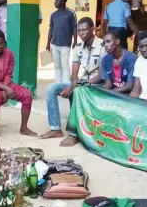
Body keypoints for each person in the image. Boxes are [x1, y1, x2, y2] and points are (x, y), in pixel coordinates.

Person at [40, 17, 106, 146]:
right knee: (51, 88)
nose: (81, 33)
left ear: (92, 29)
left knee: (77, 92)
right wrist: (73, 83)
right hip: (81, 82)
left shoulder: (102, 45)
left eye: (84, 30)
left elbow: (102, 75)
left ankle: (74, 134)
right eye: (79, 30)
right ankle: (55, 128)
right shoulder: (78, 47)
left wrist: (75, 87)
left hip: (96, 84)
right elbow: (75, 72)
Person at [0, 29, 36, 143]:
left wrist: (5, 86)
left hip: (6, 82)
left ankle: (24, 128)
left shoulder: (9, 54)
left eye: (1, 43)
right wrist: (5, 89)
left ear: (4, 42)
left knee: (26, 95)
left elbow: (8, 74)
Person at [46, 0, 77, 83]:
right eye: (55, 0)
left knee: (65, 65)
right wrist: (48, 44)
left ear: (63, 2)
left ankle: (66, 84)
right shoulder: (53, 15)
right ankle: (58, 84)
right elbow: (51, 29)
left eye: (57, 0)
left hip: (66, 45)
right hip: (54, 44)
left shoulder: (71, 13)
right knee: (57, 66)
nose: (55, 2)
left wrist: (75, 41)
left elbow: (74, 27)